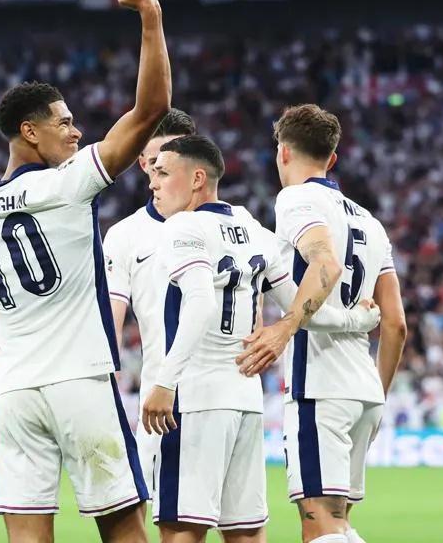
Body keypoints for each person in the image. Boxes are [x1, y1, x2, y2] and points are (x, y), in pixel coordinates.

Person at [0, 0, 170, 543]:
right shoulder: (69, 183)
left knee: (27, 536)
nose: (77, 131)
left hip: (16, 391)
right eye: (64, 122)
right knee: (123, 529)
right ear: (29, 131)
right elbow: (151, 111)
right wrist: (150, 16)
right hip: (80, 380)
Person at [141, 135, 379, 543]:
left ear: (197, 179)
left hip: (195, 399)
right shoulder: (251, 228)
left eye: (162, 173)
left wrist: (164, 382)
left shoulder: (181, 226)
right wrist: (358, 320)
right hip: (245, 402)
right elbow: (300, 308)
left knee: (182, 529)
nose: (152, 183)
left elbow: (199, 302)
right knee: (246, 532)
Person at [240, 105, 407, 543]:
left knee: (319, 524)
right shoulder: (371, 223)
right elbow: (395, 324)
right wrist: (377, 394)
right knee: (340, 523)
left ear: (283, 152)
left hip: (319, 386)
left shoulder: (296, 199)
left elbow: (326, 262)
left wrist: (286, 326)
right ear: (332, 158)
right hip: (365, 390)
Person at [102, 108, 196, 498]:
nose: (165, 168)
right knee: (164, 516)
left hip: (225, 395)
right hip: (162, 401)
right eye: (157, 160)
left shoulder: (229, 225)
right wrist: (107, 390)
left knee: (241, 523)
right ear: (142, 163)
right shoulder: (125, 236)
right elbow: (111, 320)